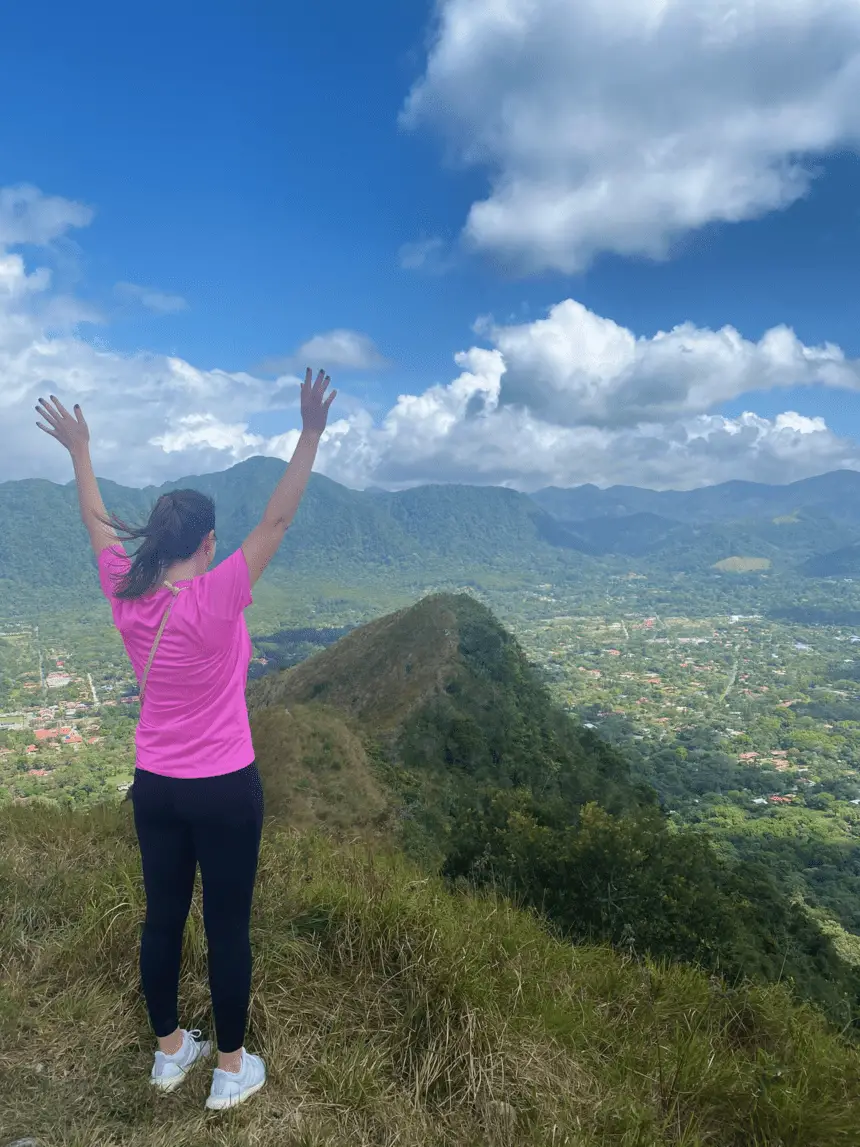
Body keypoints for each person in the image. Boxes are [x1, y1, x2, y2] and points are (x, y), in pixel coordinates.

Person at [35, 369, 336, 1111]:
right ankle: (231, 1068)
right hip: (227, 786)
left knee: (162, 915)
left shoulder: (125, 588)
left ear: (155, 541)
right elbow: (277, 523)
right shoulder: (219, 593)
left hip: (157, 787)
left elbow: (97, 522)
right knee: (228, 924)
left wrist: (80, 450)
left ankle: (171, 1051)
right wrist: (310, 432)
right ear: (207, 542)